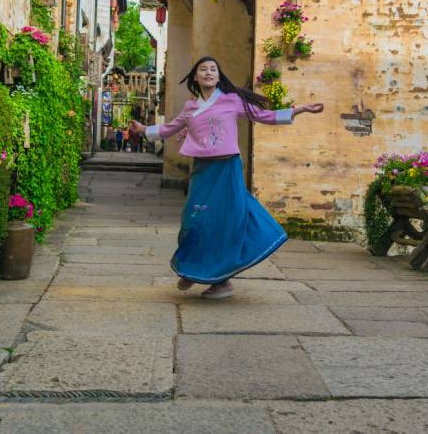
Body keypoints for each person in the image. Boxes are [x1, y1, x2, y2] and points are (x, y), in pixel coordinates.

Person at [128, 56, 323, 299]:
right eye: (203, 69)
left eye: (213, 69)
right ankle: (193, 267)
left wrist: (298, 110)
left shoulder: (232, 101)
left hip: (227, 168)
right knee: (193, 220)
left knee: (224, 221)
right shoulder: (190, 107)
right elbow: (171, 128)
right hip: (202, 170)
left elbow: (264, 116)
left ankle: (221, 282)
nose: (208, 72)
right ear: (195, 77)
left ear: (219, 77)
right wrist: (144, 130)